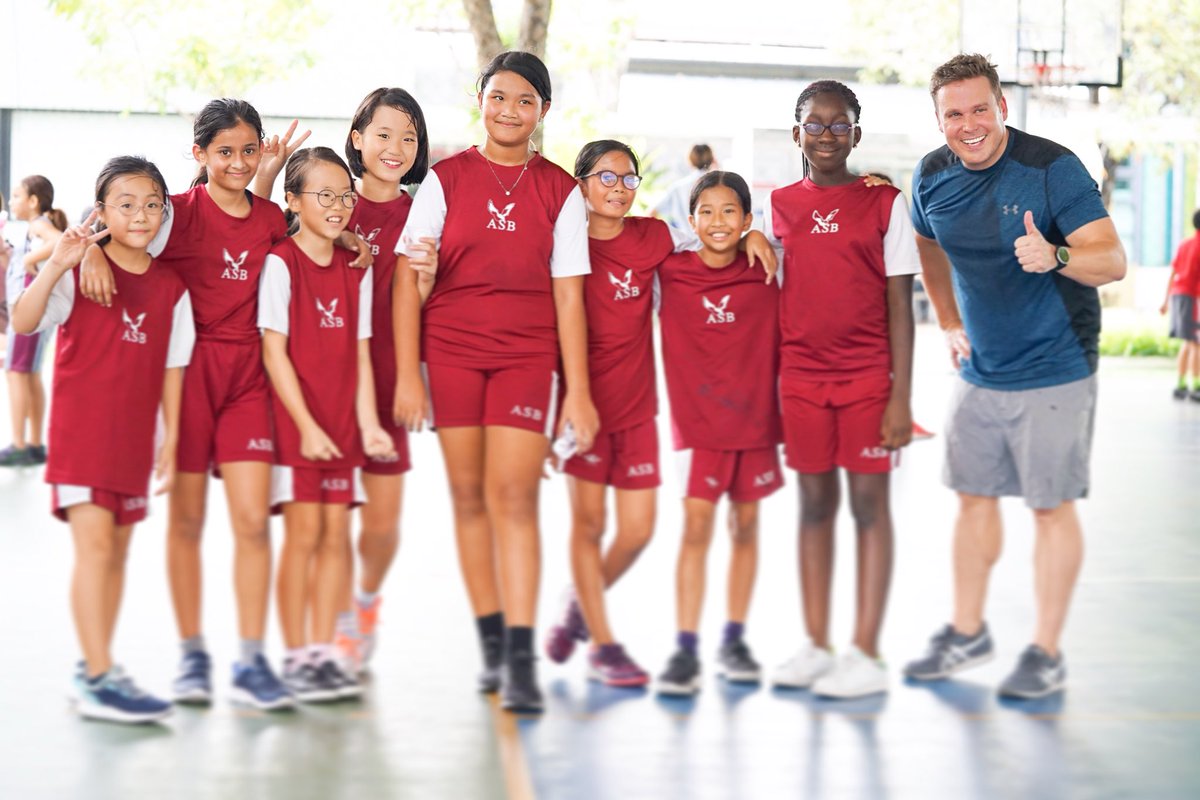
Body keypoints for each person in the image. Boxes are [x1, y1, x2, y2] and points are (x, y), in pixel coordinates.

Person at [77, 100, 347, 709]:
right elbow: (115, 224)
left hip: (250, 378)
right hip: (187, 374)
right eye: (224, 151)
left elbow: (314, 233)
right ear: (199, 154)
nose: (237, 162)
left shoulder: (273, 219)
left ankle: (252, 661)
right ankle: (193, 655)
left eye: (248, 151)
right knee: (189, 521)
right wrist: (91, 249)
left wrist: (347, 229)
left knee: (253, 522)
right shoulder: (172, 212)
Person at [903, 54, 1126, 699]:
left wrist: (1056, 254)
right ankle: (967, 632)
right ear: (939, 119)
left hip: (1056, 364)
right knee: (973, 497)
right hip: (981, 369)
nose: (969, 124)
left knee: (1049, 508)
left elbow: (1111, 261)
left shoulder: (1051, 168)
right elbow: (925, 243)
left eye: (980, 109)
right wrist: (946, 318)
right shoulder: (932, 175)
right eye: (954, 114)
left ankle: (1046, 652)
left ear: (1002, 106)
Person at [392, 51, 598, 713]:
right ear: (480, 98)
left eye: (525, 101)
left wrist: (580, 392)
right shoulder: (445, 179)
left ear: (542, 112)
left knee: (514, 498)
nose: (509, 111)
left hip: (525, 356)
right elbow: (408, 278)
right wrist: (409, 378)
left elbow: (570, 300)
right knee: (467, 496)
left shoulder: (561, 190)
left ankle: (519, 654)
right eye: (499, 96)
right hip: (450, 351)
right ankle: (488, 643)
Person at [544, 140, 777, 687]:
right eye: (605, 177)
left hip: (637, 406)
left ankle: (580, 600)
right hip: (580, 406)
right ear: (580, 183)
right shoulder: (562, 244)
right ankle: (602, 643)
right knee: (590, 524)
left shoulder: (652, 240)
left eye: (628, 179)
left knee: (638, 530)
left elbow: (711, 237)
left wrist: (757, 232)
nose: (618, 188)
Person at [11, 156, 194, 723]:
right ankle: (96, 673)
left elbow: (172, 369)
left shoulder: (172, 287)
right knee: (93, 552)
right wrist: (59, 262)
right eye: (125, 204)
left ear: (165, 211)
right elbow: (21, 322)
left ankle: (97, 667)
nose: (139, 215)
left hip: (134, 442)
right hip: (81, 436)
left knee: (116, 555)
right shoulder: (76, 271)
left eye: (151, 204)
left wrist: (170, 442)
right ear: (101, 211)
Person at [762, 81, 918, 699]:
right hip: (799, 380)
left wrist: (900, 396)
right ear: (795, 132)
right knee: (813, 507)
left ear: (857, 132)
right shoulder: (775, 205)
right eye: (814, 124)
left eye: (838, 124)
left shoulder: (885, 203)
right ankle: (817, 645)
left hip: (867, 382)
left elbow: (901, 307)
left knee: (869, 510)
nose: (826, 135)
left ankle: (868, 653)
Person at [259, 146, 395, 702]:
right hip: (299, 428)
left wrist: (369, 426)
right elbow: (274, 353)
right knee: (304, 536)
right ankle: (297, 655)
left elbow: (361, 354)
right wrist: (307, 427)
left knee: (337, 536)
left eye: (345, 196)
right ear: (293, 201)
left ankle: (325, 651)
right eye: (324, 195)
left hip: (342, 426)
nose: (339, 206)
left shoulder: (355, 268)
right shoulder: (279, 263)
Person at [654, 171, 782, 696]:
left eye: (731, 212)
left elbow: (799, 230)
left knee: (746, 528)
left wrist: (760, 237)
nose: (718, 222)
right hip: (697, 428)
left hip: (755, 424)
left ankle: (733, 639)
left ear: (749, 219)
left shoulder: (768, 267)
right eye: (706, 211)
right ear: (691, 220)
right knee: (696, 530)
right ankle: (685, 648)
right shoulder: (670, 271)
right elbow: (636, 233)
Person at [2, 175, 66, 467]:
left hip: (30, 313)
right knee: (29, 373)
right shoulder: (33, 227)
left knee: (16, 372)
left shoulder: (40, 223)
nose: (12, 201)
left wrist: (27, 263)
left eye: (17, 196)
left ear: (32, 201)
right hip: (34, 312)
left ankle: (19, 444)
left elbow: (57, 242)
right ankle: (35, 444)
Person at [1161, 209, 1200, 400]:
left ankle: (1182, 384)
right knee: (1195, 343)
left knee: (1188, 341)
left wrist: (1165, 301)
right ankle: (1196, 386)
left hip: (1178, 296)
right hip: (1192, 298)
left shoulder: (1185, 244)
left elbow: (1173, 273)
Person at [652, 144, 716, 231]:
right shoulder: (720, 185)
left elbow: (652, 212)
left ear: (690, 160)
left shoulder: (677, 187)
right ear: (712, 159)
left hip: (684, 241)